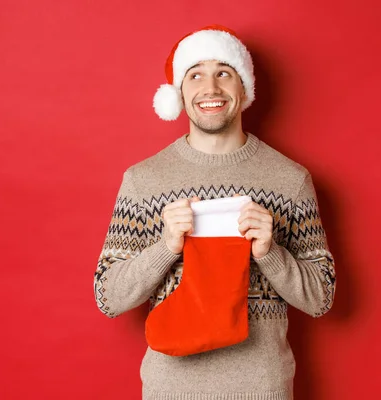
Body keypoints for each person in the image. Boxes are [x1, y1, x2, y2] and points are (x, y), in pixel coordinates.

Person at [94, 25, 336, 400]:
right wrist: (165, 248)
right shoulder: (144, 181)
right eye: (195, 75)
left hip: (262, 387)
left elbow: (321, 299)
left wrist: (270, 253)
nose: (211, 88)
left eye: (224, 72)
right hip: (171, 389)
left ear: (243, 89)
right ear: (179, 93)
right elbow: (108, 297)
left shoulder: (290, 180)